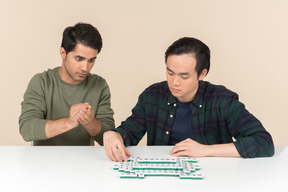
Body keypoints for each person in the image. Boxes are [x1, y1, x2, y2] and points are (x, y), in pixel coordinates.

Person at [104, 37, 274, 161]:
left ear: (202, 74)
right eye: (170, 73)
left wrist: (205, 150)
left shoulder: (223, 100)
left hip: (215, 178)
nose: (174, 82)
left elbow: (263, 142)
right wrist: (113, 135)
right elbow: (130, 131)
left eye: (184, 76)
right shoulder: (153, 95)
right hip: (163, 174)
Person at [19, 22, 114, 145]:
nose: (85, 67)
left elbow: (109, 137)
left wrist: (91, 122)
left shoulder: (99, 85)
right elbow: (26, 129)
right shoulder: (41, 82)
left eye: (91, 60)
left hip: (84, 160)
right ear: (63, 53)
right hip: (43, 161)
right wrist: (69, 122)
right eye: (79, 59)